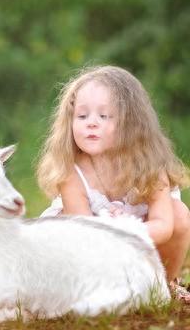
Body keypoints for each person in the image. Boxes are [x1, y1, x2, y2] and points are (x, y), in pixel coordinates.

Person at [36, 65, 190, 300]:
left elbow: (163, 226)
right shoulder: (72, 173)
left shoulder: (150, 166)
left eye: (104, 116)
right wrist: (110, 231)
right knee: (56, 231)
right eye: (82, 116)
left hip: (141, 238)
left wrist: (127, 229)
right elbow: (85, 232)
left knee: (179, 213)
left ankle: (163, 283)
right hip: (91, 247)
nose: (91, 123)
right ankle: (90, 292)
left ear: (131, 122)